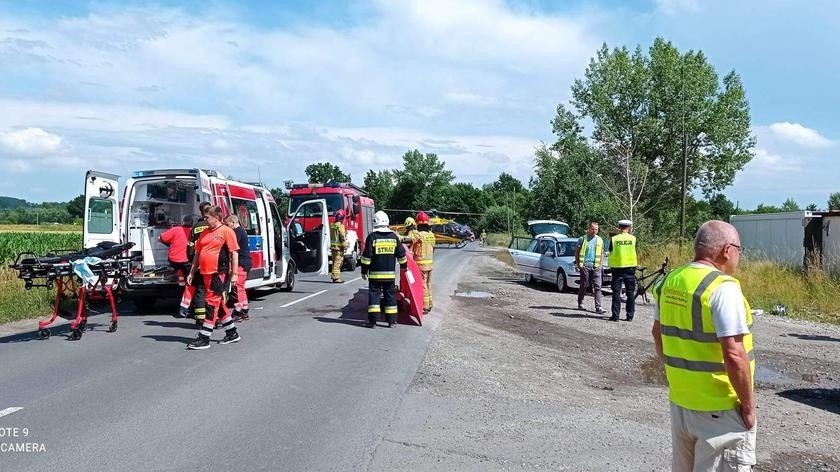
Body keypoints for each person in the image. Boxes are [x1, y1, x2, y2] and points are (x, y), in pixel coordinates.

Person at [651, 220, 756, 471]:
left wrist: (681, 376)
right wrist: (749, 408)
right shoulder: (723, 288)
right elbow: (734, 353)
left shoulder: (670, 281)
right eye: (740, 249)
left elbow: (658, 334)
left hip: (682, 403)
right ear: (726, 250)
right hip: (721, 409)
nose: (739, 256)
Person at [186, 205, 240, 350]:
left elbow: (234, 254)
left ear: (217, 218)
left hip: (218, 273)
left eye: (208, 217)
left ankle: (204, 337)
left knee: (211, 303)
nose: (205, 219)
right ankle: (232, 332)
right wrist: (192, 272)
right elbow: (197, 254)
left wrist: (234, 274)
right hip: (205, 273)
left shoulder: (226, 231)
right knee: (218, 303)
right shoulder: (204, 232)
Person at [360, 211, 407, 328]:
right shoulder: (394, 237)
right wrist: (404, 267)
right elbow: (401, 254)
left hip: (375, 276)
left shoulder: (372, 237)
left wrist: (364, 271)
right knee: (390, 297)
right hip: (389, 276)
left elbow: (367, 257)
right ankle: (392, 321)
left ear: (375, 222)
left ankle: (373, 322)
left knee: (374, 297)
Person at [177, 202, 211, 325]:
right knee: (212, 291)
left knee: (200, 291)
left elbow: (190, 246)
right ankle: (214, 317)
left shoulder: (195, 227)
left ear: (201, 212)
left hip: (198, 262)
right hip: (212, 263)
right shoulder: (213, 226)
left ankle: (200, 317)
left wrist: (191, 260)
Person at [608, 219, 638, 322]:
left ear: (619, 227)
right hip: (630, 268)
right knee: (630, 293)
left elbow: (610, 250)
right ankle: (630, 316)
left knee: (616, 292)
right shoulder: (633, 239)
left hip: (617, 268)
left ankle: (615, 316)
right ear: (628, 228)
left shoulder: (614, 239)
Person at [224, 214, 251, 322]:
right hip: (246, 262)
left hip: (241, 262)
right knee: (241, 287)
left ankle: (238, 311)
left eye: (227, 224)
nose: (227, 226)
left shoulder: (237, 232)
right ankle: (244, 310)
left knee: (237, 288)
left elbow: (232, 247)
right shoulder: (242, 231)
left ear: (233, 222)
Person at [574, 221, 605, 314]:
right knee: (584, 285)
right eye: (592, 229)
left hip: (596, 266)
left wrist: (601, 264)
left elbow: (601, 253)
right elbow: (577, 252)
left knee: (598, 287)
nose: (594, 231)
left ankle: (598, 307)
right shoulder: (583, 239)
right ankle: (580, 303)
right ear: (589, 228)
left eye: (596, 229)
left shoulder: (600, 240)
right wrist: (579, 264)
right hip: (585, 266)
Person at [159, 214, 193, 286]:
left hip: (173, 260)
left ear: (182, 222)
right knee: (186, 272)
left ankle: (178, 277)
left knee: (178, 268)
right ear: (192, 223)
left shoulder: (176, 229)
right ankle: (184, 284)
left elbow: (160, 238)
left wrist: (168, 244)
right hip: (186, 261)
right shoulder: (193, 232)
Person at [414, 211, 436, 313]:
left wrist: (397, 237)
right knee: (428, 283)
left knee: (423, 285)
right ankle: (430, 303)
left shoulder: (419, 235)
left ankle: (425, 306)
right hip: (430, 264)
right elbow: (434, 248)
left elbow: (408, 240)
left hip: (421, 265)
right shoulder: (431, 234)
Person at [330, 209, 348, 283]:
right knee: (338, 263)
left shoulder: (333, 225)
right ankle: (336, 277)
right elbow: (342, 237)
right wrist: (345, 246)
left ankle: (336, 276)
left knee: (334, 262)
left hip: (333, 247)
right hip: (338, 248)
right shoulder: (340, 226)